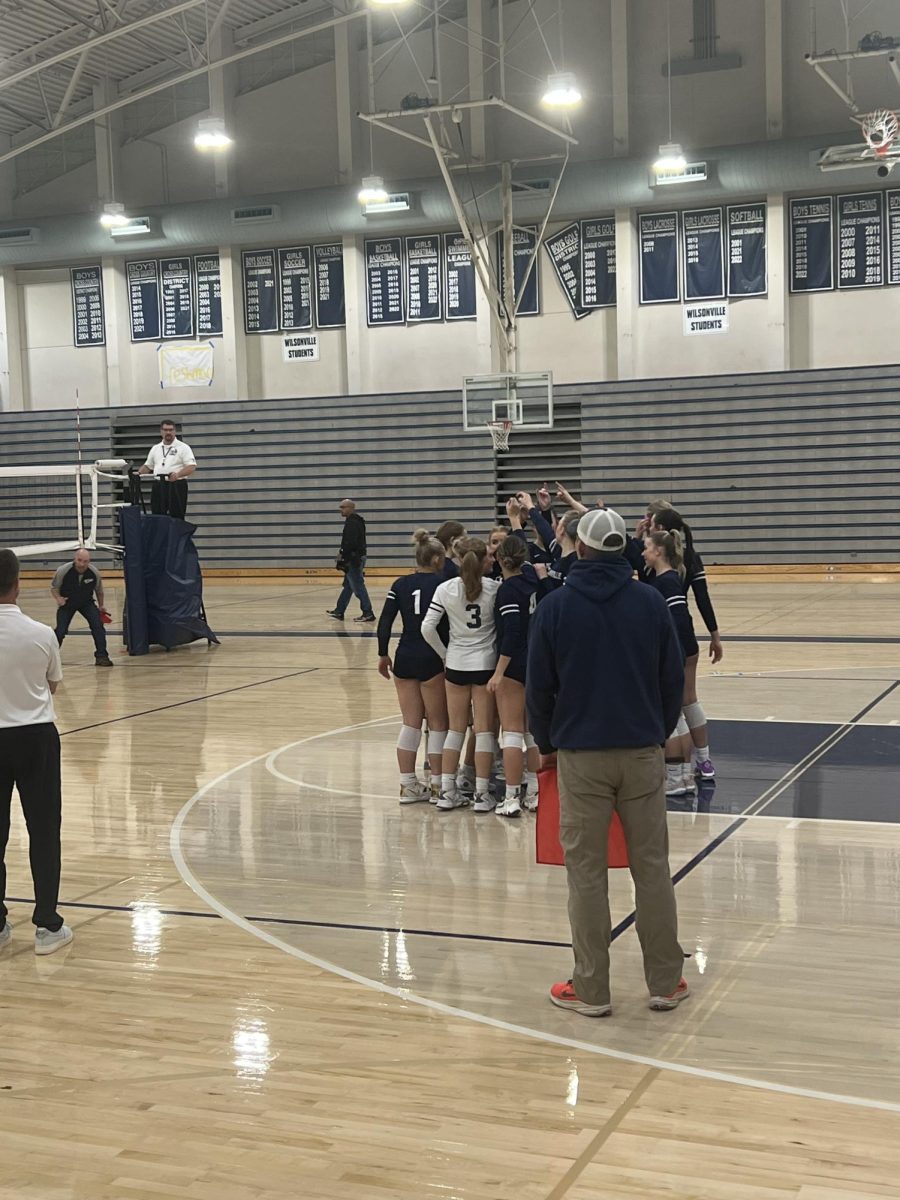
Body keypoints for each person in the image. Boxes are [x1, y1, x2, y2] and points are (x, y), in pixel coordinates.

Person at [526, 508, 688, 1016]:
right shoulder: (650, 603)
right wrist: (654, 733)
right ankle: (666, 981)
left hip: (580, 756)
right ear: (622, 548)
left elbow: (539, 690)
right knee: (653, 868)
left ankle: (592, 989)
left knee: (587, 875)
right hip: (641, 752)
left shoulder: (554, 608)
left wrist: (549, 741)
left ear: (581, 547)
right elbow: (671, 683)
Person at [0, 549, 73, 956]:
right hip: (35, 738)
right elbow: (52, 686)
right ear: (18, 583)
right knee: (44, 830)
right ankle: (47, 924)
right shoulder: (42, 633)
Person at [421, 536, 500, 812]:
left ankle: (446, 791)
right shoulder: (494, 588)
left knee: (455, 730)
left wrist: (445, 654)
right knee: (484, 730)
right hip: (485, 665)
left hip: (455, 664)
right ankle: (481, 794)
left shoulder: (445, 589)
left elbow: (427, 628)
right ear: (481, 560)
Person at [377, 530, 449, 804]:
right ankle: (438, 784)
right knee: (438, 722)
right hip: (433, 657)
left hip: (404, 655)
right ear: (436, 558)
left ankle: (408, 784)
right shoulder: (445, 583)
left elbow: (385, 622)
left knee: (410, 723)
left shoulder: (400, 584)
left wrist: (383, 654)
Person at [487, 536, 541, 817]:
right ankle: (533, 792)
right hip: (536, 663)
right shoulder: (533, 580)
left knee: (511, 733)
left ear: (499, 559)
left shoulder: (507, 591)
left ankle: (510, 798)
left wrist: (498, 672)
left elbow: (512, 633)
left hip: (513, 665)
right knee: (531, 733)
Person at [642, 530, 698, 798]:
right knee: (678, 719)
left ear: (658, 552)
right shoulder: (663, 580)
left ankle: (676, 778)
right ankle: (686, 776)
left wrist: (667, 655)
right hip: (672, 655)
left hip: (669, 657)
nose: (643, 552)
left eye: (646, 547)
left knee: (673, 718)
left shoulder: (668, 583)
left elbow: (678, 622)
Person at [51, 549, 113, 667]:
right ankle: (51, 658)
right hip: (67, 603)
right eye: (80, 560)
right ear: (75, 559)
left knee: (98, 626)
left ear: (89, 561)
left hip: (86, 603)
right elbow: (54, 587)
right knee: (60, 630)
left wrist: (101, 606)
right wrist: (58, 598)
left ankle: (102, 656)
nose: (82, 564)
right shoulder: (63, 570)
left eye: (85, 561)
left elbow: (99, 591)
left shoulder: (94, 572)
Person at [327, 498, 375, 623]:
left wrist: (342, 556)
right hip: (356, 557)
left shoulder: (352, 523)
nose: (341, 510)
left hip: (354, 559)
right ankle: (339, 610)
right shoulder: (355, 521)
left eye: (343, 507)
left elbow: (350, 543)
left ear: (351, 508)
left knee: (358, 586)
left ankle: (368, 612)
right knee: (348, 586)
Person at [138, 419, 197, 520]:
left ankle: (176, 535)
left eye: (171, 430)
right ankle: (160, 535)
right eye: (165, 430)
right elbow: (148, 466)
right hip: (159, 485)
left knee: (177, 516)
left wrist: (177, 475)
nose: (168, 432)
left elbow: (191, 466)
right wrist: (137, 474)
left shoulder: (183, 447)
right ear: (161, 431)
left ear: (175, 431)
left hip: (176, 485)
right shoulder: (155, 448)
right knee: (157, 516)